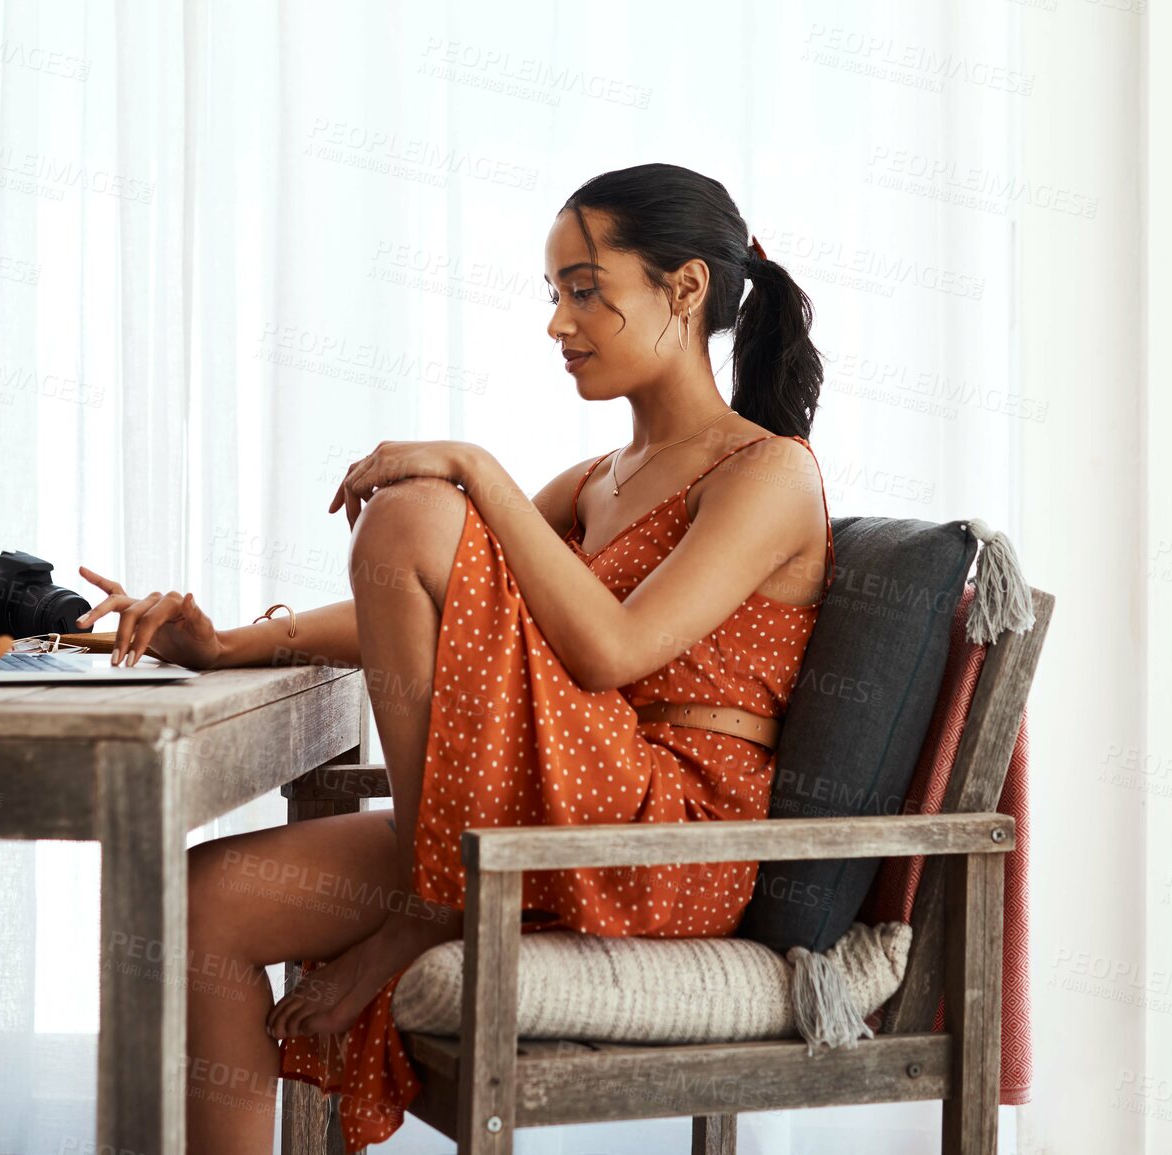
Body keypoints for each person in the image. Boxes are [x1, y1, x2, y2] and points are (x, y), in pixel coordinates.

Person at [73, 161, 835, 1153]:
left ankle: (439, 899)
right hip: (544, 812)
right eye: (555, 294)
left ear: (684, 290)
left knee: (416, 511)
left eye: (585, 291)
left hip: (665, 836)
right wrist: (223, 647)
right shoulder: (602, 481)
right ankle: (444, 886)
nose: (560, 324)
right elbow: (427, 602)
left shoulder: (767, 471)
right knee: (199, 904)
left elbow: (611, 652)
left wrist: (475, 469)